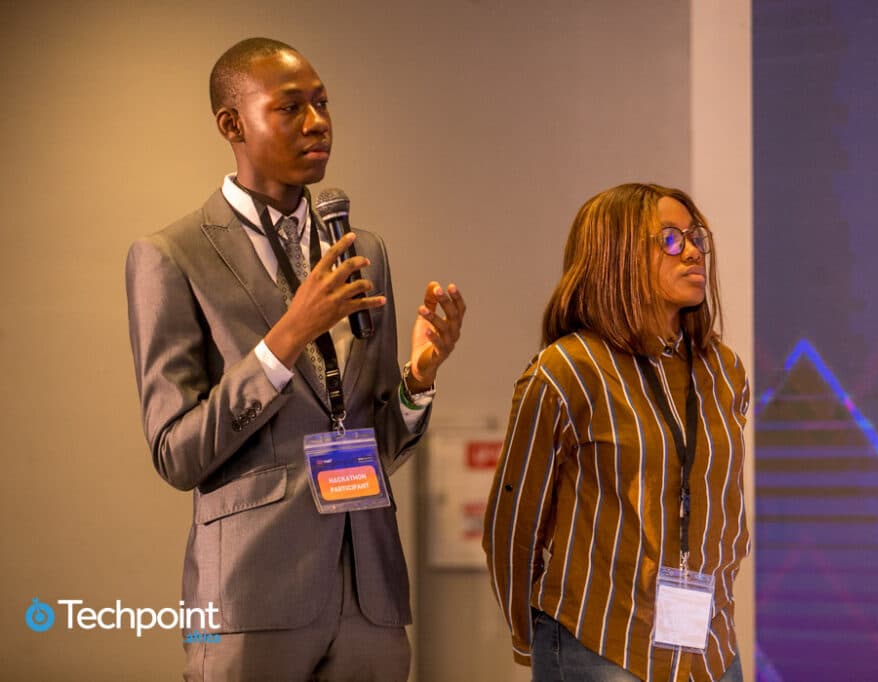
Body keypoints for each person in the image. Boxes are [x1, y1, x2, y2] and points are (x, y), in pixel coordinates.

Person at [126, 37, 465, 681]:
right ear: (232, 124)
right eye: (291, 108)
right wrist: (284, 342)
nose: (318, 122)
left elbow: (372, 440)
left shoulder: (360, 246)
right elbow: (177, 452)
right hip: (248, 593)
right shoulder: (171, 256)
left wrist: (419, 378)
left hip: (370, 594)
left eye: (323, 103)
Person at [483, 183, 749, 682]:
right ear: (616, 255)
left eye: (696, 237)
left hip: (711, 647)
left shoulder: (724, 371)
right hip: (602, 644)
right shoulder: (565, 371)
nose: (693, 250)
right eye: (670, 239)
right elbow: (513, 523)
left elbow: (724, 509)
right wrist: (530, 634)